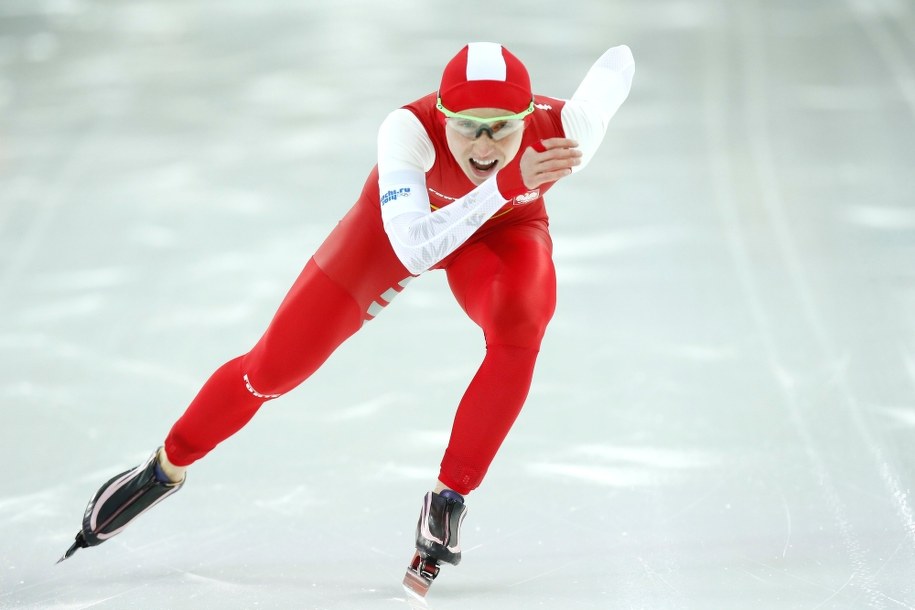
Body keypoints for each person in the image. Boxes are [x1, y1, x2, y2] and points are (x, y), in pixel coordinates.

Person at [59, 41, 636, 585]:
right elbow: (414, 248)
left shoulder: (562, 131)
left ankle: (448, 499)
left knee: (522, 325)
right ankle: (165, 467)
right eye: (467, 128)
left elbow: (617, 67)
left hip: (503, 230)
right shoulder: (407, 131)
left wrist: (565, 133)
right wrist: (509, 180)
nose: (483, 148)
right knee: (271, 372)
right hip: (396, 233)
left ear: (529, 117)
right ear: (441, 116)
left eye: (502, 130)